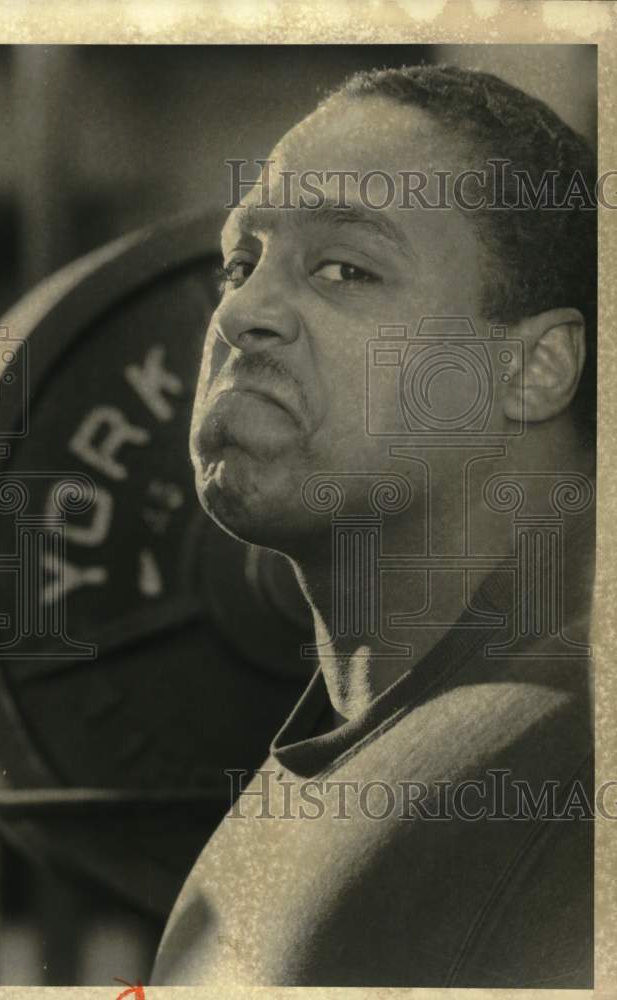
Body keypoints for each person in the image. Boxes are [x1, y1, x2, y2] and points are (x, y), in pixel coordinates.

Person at [151, 65, 596, 987]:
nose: (238, 313)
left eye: (346, 269)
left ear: (535, 369)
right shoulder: (357, 744)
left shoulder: (575, 770)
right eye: (241, 264)